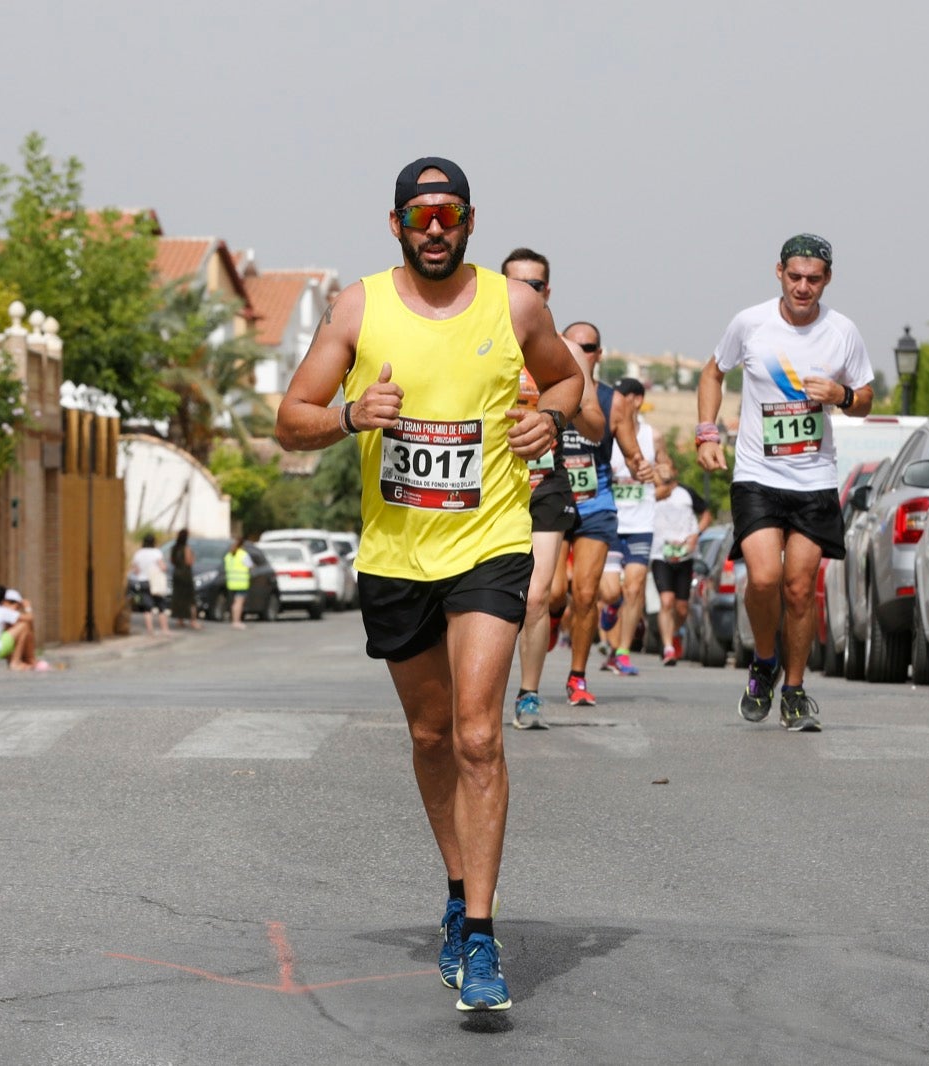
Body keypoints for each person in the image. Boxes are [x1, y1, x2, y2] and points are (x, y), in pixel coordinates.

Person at [274, 157, 584, 1013]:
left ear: (471, 222)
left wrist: (547, 417)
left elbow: (567, 376)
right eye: (422, 215)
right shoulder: (358, 306)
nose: (436, 227)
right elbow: (289, 420)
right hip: (396, 556)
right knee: (431, 734)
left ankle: (481, 938)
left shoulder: (514, 304)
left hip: (489, 544)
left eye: (449, 213)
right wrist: (346, 416)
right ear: (398, 225)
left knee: (480, 736)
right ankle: (455, 894)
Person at [697, 233, 874, 732]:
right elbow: (713, 373)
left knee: (799, 589)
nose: (803, 287)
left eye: (813, 279)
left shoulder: (843, 332)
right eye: (794, 277)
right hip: (757, 473)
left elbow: (867, 397)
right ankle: (764, 660)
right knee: (765, 578)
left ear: (827, 280)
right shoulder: (750, 323)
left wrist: (840, 393)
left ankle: (794, 690)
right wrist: (707, 431)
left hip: (814, 478)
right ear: (778, 272)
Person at [499, 247, 605, 731]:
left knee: (538, 596)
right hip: (485, 485)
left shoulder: (563, 348)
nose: (523, 293)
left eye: (533, 286)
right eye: (513, 283)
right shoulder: (478, 337)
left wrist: (561, 402)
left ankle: (528, 694)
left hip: (543, 481)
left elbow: (599, 428)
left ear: (547, 292)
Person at [556, 321, 650, 707]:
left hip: (596, 504)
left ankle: (577, 676)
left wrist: (642, 466)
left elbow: (632, 453)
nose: (582, 352)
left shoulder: (615, 401)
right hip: (553, 500)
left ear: (599, 353)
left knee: (586, 594)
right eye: (572, 344)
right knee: (550, 595)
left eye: (589, 346)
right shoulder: (548, 390)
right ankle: (548, 623)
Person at [601, 378, 668, 676]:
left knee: (636, 586)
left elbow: (667, 471)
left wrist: (661, 472)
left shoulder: (654, 436)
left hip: (641, 522)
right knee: (611, 590)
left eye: (623, 396)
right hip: (612, 522)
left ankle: (623, 652)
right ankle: (612, 605)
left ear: (637, 400)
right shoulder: (606, 433)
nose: (617, 401)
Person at [651, 461, 704, 665]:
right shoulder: (651, 493)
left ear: (675, 471)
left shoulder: (686, 493)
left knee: (682, 608)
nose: (663, 471)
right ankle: (668, 648)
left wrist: (695, 535)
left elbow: (706, 513)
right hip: (660, 554)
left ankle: (672, 633)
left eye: (666, 468)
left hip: (684, 555)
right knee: (666, 601)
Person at [129, 533, 169, 636]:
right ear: (154, 542)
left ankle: (150, 630)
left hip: (142, 581)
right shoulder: (156, 553)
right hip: (155, 582)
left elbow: (135, 570)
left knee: (147, 608)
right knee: (161, 606)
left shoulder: (138, 553)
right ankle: (165, 629)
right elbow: (163, 567)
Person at [169, 529, 202, 630]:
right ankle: (193, 621)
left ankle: (180, 620)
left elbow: (172, 561)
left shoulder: (174, 548)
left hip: (176, 574)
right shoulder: (186, 548)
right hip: (186, 575)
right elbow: (189, 562)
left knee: (178, 597)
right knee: (190, 598)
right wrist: (193, 556)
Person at [222, 535, 252, 629]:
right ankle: (236, 621)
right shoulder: (243, 554)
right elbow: (250, 565)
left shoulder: (228, 555)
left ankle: (234, 619)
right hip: (241, 583)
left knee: (234, 602)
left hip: (231, 582)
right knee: (238, 603)